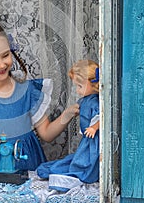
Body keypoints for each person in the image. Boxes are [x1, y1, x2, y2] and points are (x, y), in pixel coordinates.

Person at [0, 19, 79, 171]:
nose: (2, 64)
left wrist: (68, 114)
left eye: (5, 55)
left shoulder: (29, 92)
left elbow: (47, 134)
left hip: (28, 165)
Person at [37, 59, 100, 191]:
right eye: (76, 86)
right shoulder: (84, 101)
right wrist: (70, 112)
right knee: (77, 159)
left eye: (80, 86)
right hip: (87, 140)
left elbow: (102, 117)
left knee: (86, 162)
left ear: (94, 84)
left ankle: (78, 175)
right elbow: (78, 108)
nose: (77, 90)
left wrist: (94, 127)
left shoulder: (96, 103)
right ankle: (58, 171)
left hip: (93, 140)